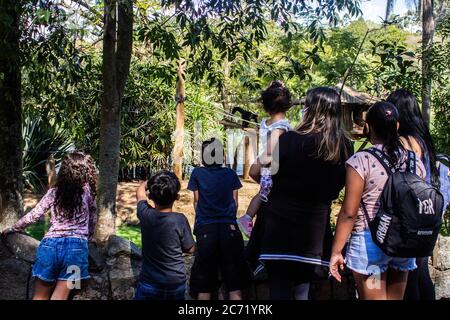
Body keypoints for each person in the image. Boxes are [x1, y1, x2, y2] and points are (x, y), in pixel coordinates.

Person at [248, 87, 352, 300]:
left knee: (279, 290)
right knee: (303, 291)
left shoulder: (288, 140)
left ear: (310, 110)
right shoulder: (343, 147)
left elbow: (257, 171)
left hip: (279, 228)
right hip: (314, 230)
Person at [330, 101, 426, 300]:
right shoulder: (414, 161)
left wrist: (336, 250)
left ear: (368, 127)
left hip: (370, 245)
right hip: (403, 243)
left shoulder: (361, 160)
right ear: (397, 126)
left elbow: (349, 212)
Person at [1, 151, 97, 300]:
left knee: (39, 297)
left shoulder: (54, 192)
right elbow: (92, 220)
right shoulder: (88, 193)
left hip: (49, 248)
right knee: (61, 297)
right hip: (76, 252)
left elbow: (34, 215)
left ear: (64, 170)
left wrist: (13, 228)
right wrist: (89, 237)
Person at [387, 89, 439, 300]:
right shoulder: (423, 137)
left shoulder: (404, 142)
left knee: (409, 275)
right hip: (427, 212)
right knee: (420, 271)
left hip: (411, 215)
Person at [188, 138, 250, 300]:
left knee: (204, 285)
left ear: (203, 157)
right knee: (235, 286)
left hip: (206, 230)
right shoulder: (230, 174)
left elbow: (196, 201)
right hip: (229, 229)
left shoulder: (197, 173)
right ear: (222, 156)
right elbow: (235, 202)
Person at [238, 80, 292, 238]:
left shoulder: (265, 123)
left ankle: (248, 216)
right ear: (288, 104)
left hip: (265, 163)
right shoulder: (281, 126)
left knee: (263, 192)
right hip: (269, 163)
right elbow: (271, 149)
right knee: (264, 193)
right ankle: (247, 217)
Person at [135, 170, 195, 300]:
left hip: (149, 282)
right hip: (175, 283)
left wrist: (150, 183)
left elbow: (140, 192)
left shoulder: (145, 214)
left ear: (150, 197)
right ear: (177, 197)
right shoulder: (179, 220)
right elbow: (190, 249)